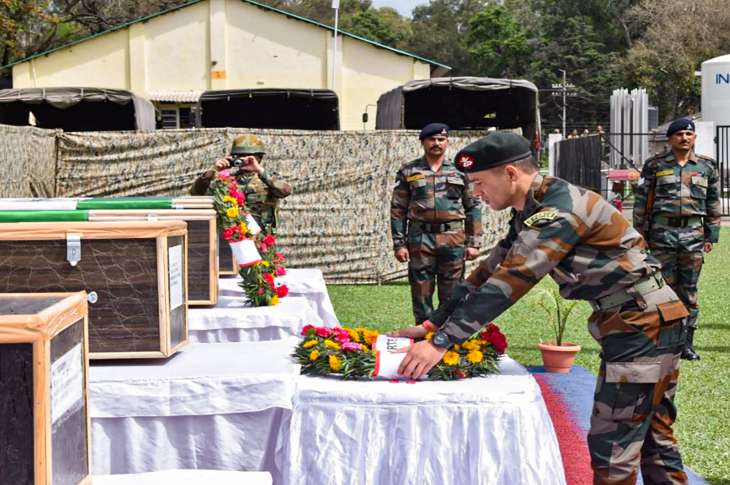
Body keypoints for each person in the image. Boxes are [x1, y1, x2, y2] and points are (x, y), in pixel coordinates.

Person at [391, 132, 689, 484]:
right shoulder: (533, 210)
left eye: (480, 183)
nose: (476, 194)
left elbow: (512, 280)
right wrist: (432, 326)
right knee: (654, 439)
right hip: (647, 318)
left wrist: (442, 344)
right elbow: (487, 273)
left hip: (641, 323)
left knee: (614, 446)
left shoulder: (557, 211)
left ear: (511, 174)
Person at [633, 118, 721, 361]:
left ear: (694, 138)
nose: (684, 138)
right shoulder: (654, 165)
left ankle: (686, 344)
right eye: (679, 134)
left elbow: (713, 203)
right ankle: (663, 342)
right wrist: (640, 234)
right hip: (662, 236)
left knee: (689, 291)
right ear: (670, 138)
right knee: (662, 290)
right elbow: (642, 201)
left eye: (689, 134)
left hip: (693, 236)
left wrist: (711, 235)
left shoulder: (707, 167)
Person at [390, 122, 482, 325]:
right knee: (421, 291)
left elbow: (473, 206)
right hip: (420, 239)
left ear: (447, 142)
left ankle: (447, 338)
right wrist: (399, 243)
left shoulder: (460, 171)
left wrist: (474, 242)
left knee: (453, 291)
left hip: (453, 238)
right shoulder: (409, 170)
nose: (436, 143)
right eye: (432, 139)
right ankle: (423, 337)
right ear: (423, 142)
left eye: (441, 139)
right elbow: (398, 209)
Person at [191, 134, 292, 232]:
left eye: (249, 156)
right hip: (232, 238)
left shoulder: (268, 179)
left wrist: (259, 170)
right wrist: (213, 170)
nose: (243, 159)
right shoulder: (224, 180)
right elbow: (196, 193)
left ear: (259, 158)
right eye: (240, 156)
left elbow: (285, 191)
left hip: (262, 239)